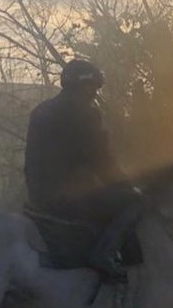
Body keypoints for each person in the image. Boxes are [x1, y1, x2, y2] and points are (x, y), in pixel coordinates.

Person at [24, 59, 143, 280]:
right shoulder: (84, 114)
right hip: (67, 198)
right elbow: (102, 161)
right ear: (83, 86)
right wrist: (128, 188)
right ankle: (104, 254)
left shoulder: (41, 110)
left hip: (38, 195)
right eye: (93, 88)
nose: (94, 94)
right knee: (135, 203)